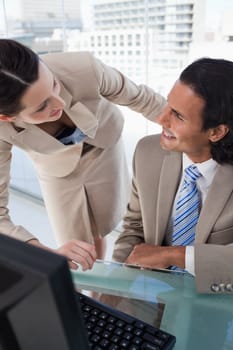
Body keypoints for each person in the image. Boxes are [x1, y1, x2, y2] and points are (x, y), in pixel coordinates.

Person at [0, 39, 165, 270]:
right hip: (55, 165)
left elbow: (141, 98)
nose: (59, 103)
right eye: (41, 107)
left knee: (100, 225)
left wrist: (193, 131)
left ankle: (98, 289)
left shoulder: (83, 68)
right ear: (6, 118)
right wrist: (49, 255)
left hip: (103, 146)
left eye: (55, 85)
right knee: (72, 241)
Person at [112, 57, 233, 294]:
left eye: (178, 115)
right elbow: (134, 226)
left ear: (216, 132)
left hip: (220, 294)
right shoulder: (148, 153)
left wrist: (174, 255)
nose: (161, 118)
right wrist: (114, 282)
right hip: (152, 291)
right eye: (168, 104)